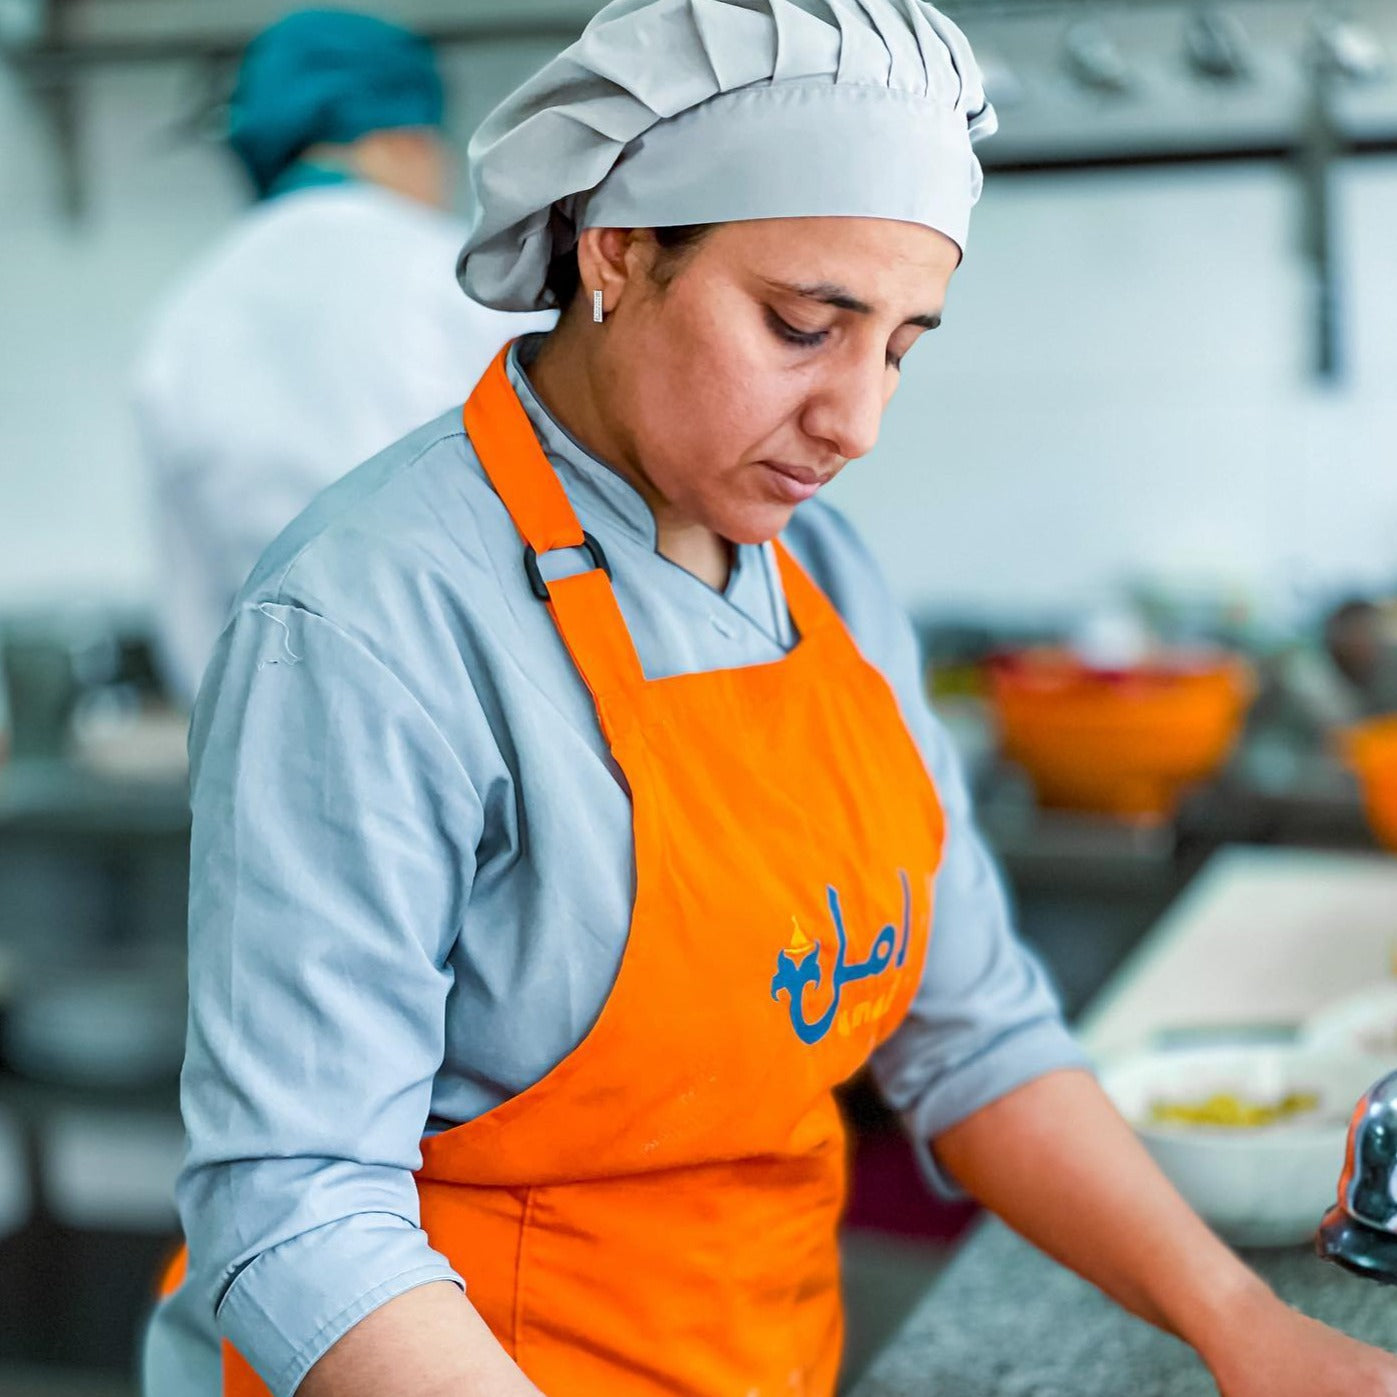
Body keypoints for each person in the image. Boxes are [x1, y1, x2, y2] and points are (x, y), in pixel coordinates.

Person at [145, 2, 1397, 1395]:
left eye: (900, 347)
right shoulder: (372, 619)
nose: (856, 421)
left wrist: (1244, 1327)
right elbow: (297, 1206)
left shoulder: (823, 582)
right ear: (616, 252)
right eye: (806, 325)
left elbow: (971, 1032)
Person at [132, 8, 554, 707]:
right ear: (402, 138)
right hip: (485, 704)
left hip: (274, 710)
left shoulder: (186, 316)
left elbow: (185, 598)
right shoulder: (466, 282)